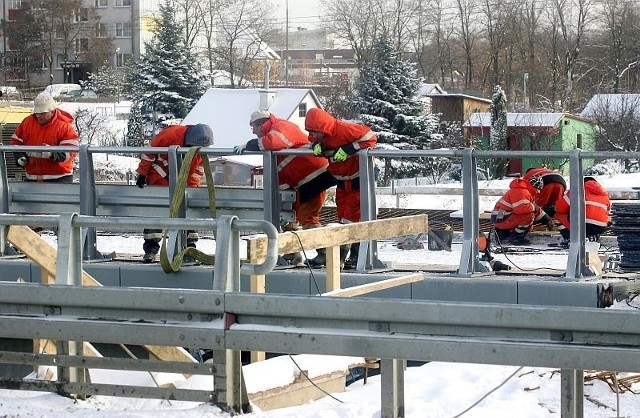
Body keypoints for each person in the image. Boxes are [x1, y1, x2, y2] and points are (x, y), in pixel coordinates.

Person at [233, 110, 336, 266]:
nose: (253, 131)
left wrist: (249, 145)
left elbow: (273, 142)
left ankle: (324, 254)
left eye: (253, 127)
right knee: (290, 215)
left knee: (307, 216)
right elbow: (281, 171)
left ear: (261, 124)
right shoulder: (274, 139)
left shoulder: (281, 127)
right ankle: (293, 253)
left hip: (314, 176)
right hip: (302, 181)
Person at [305, 107, 377, 269]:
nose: (313, 136)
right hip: (343, 183)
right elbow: (314, 141)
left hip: (358, 179)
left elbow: (370, 137)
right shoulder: (321, 137)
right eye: (311, 132)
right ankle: (340, 257)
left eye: (315, 132)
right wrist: (316, 145)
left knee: (352, 219)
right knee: (343, 218)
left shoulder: (344, 129)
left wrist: (349, 149)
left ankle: (353, 257)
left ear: (323, 127)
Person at [135, 123, 213, 263]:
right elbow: (149, 153)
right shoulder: (170, 134)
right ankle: (150, 250)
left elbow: (197, 171)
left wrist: (191, 191)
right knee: (156, 212)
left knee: (188, 213)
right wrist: (142, 174)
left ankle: (190, 248)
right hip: (159, 178)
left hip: (183, 183)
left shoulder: (200, 150)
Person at [11, 91, 79, 183]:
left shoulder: (64, 126)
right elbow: (16, 143)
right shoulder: (27, 123)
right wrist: (19, 157)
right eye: (36, 112)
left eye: (42, 112)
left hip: (59, 179)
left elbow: (70, 152)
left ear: (52, 111)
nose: (38, 115)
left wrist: (52, 153)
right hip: (32, 178)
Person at [491, 175, 555, 245]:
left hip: (500, 217)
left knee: (529, 220)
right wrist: (534, 208)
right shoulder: (523, 192)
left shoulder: (523, 190)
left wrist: (546, 219)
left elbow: (534, 209)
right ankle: (516, 238)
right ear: (534, 187)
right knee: (529, 216)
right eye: (538, 189)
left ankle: (502, 233)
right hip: (502, 218)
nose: (539, 192)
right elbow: (522, 209)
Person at [555, 176, 611, 244]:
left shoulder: (577, 190)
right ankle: (591, 237)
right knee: (593, 223)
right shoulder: (604, 194)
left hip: (583, 225)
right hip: (601, 227)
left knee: (557, 216)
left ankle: (570, 239)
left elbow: (560, 208)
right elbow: (607, 212)